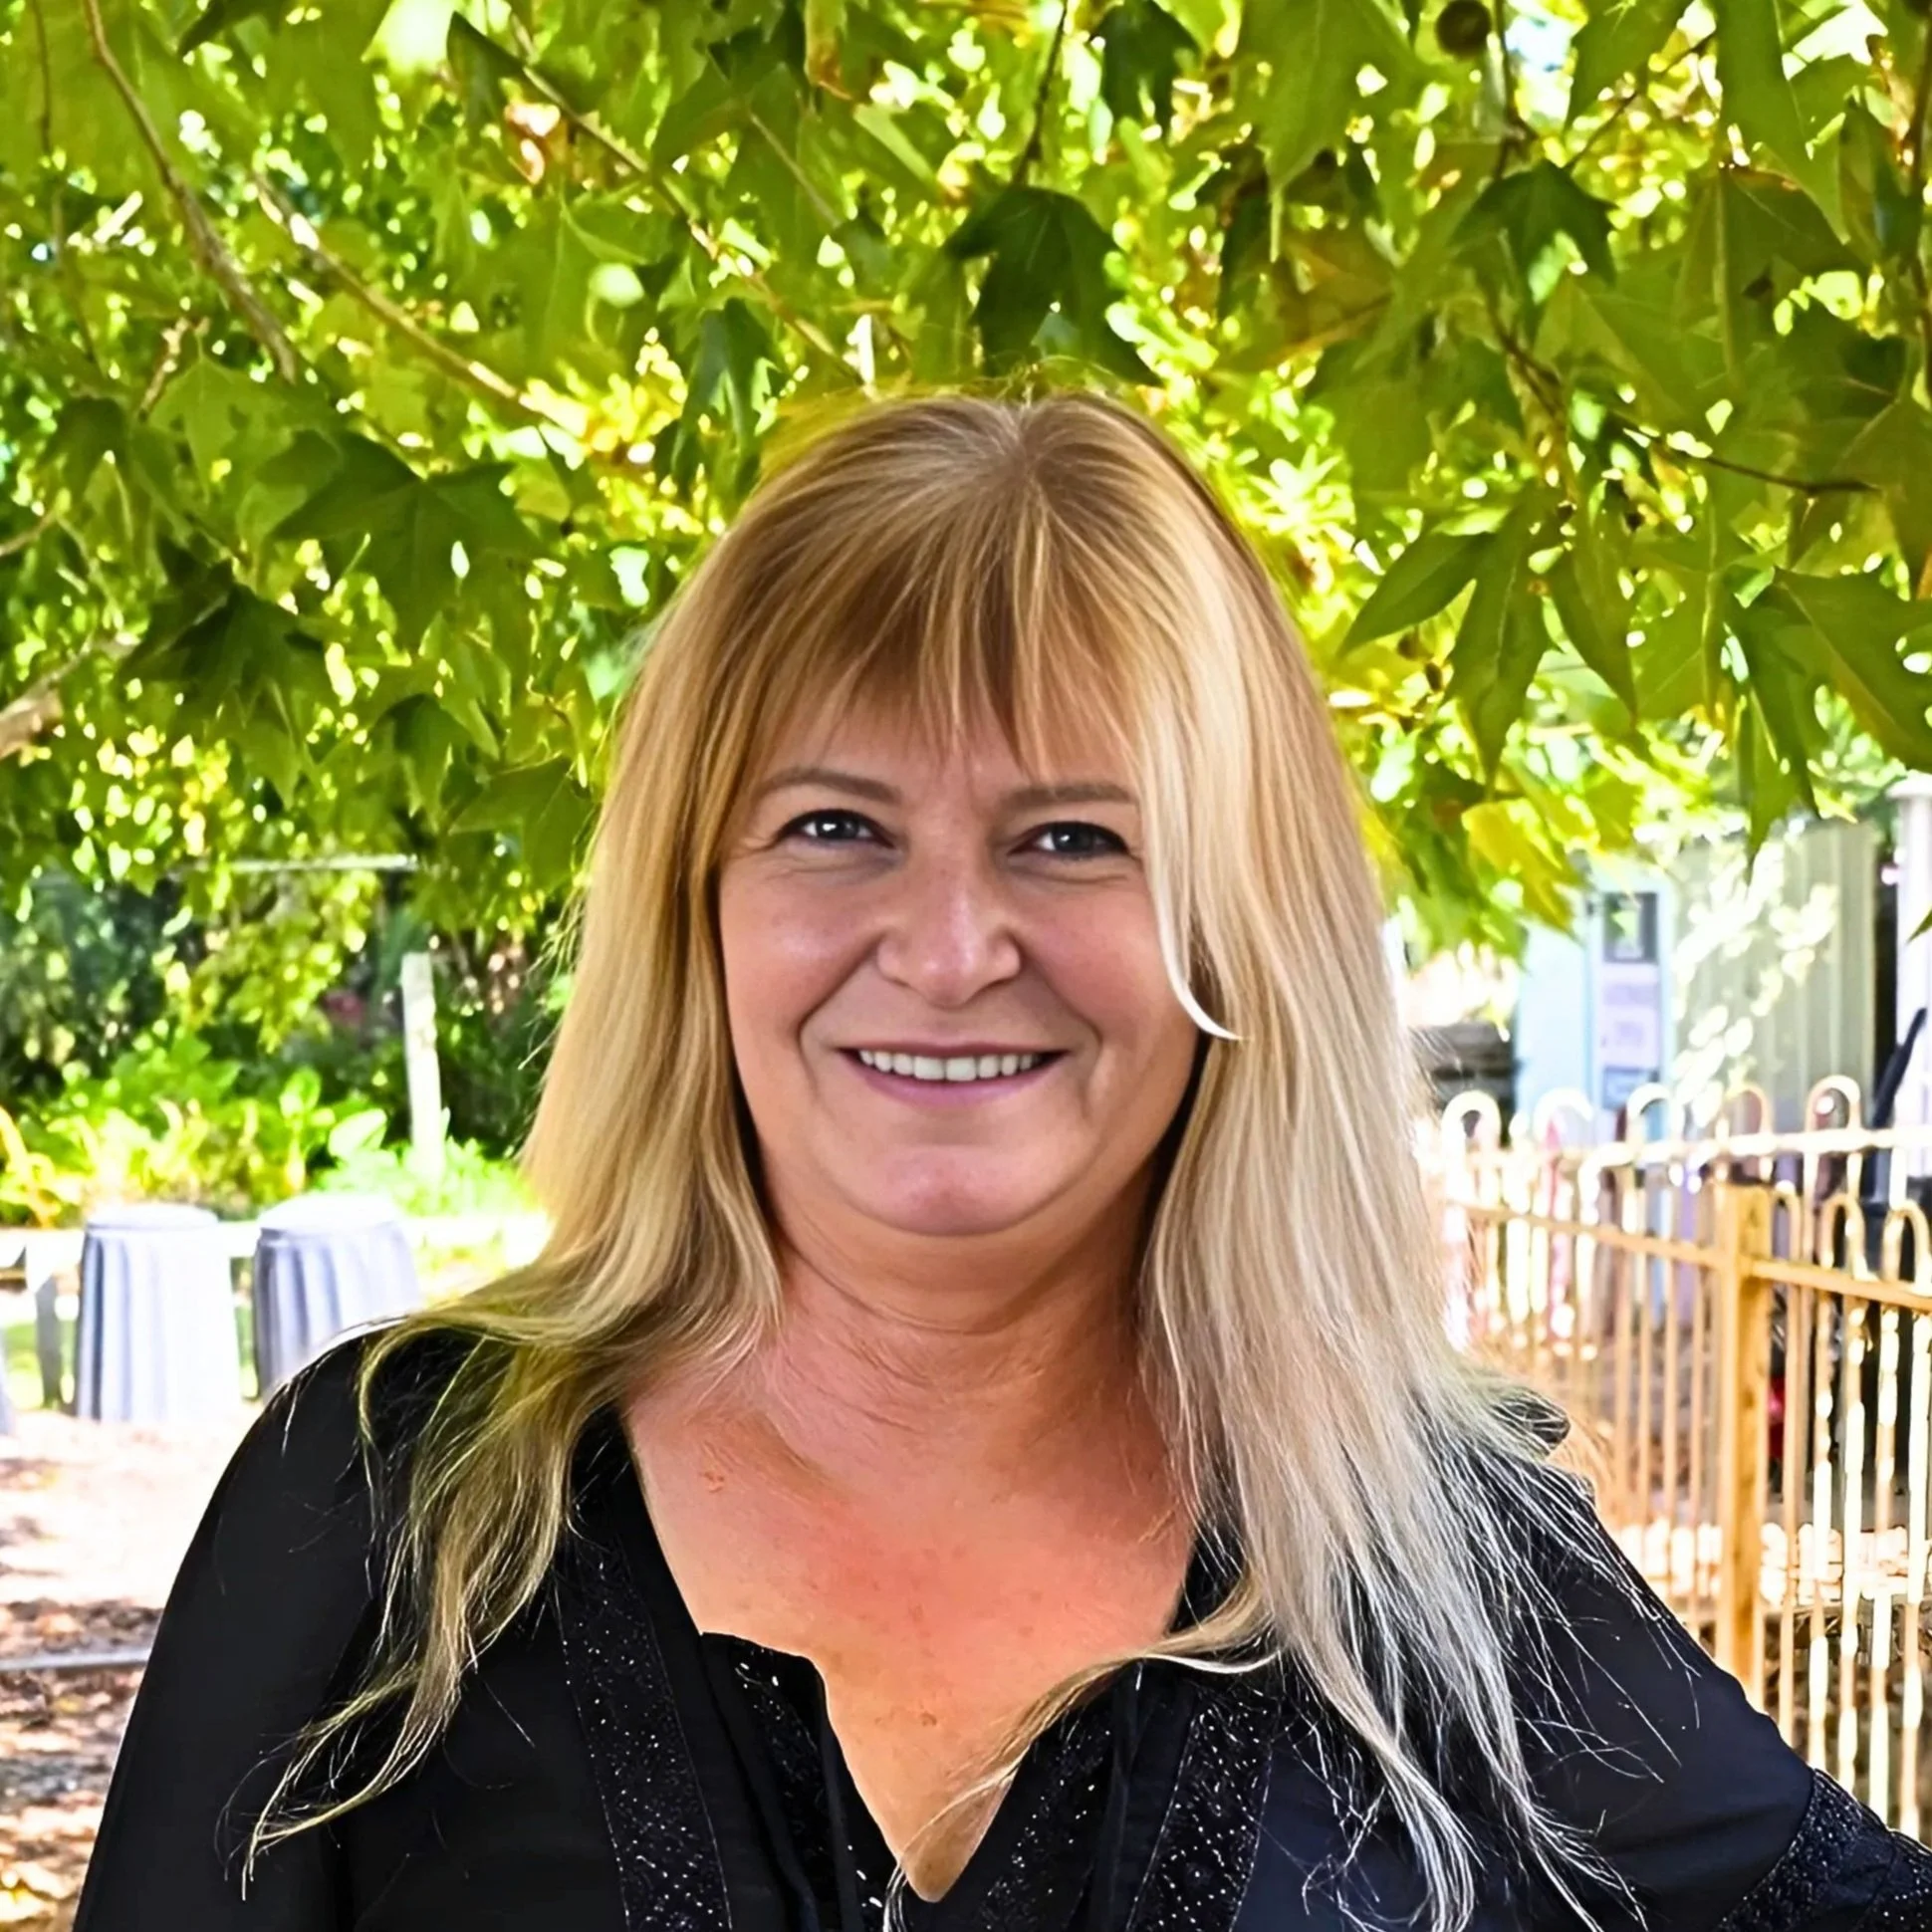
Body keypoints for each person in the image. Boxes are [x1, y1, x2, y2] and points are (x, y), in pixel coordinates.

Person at [73, 390, 1931, 1932]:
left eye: (1070, 841)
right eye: (832, 826)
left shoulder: (1441, 1558)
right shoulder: (390, 1503)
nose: (950, 947)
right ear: (692, 912)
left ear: (1242, 929)